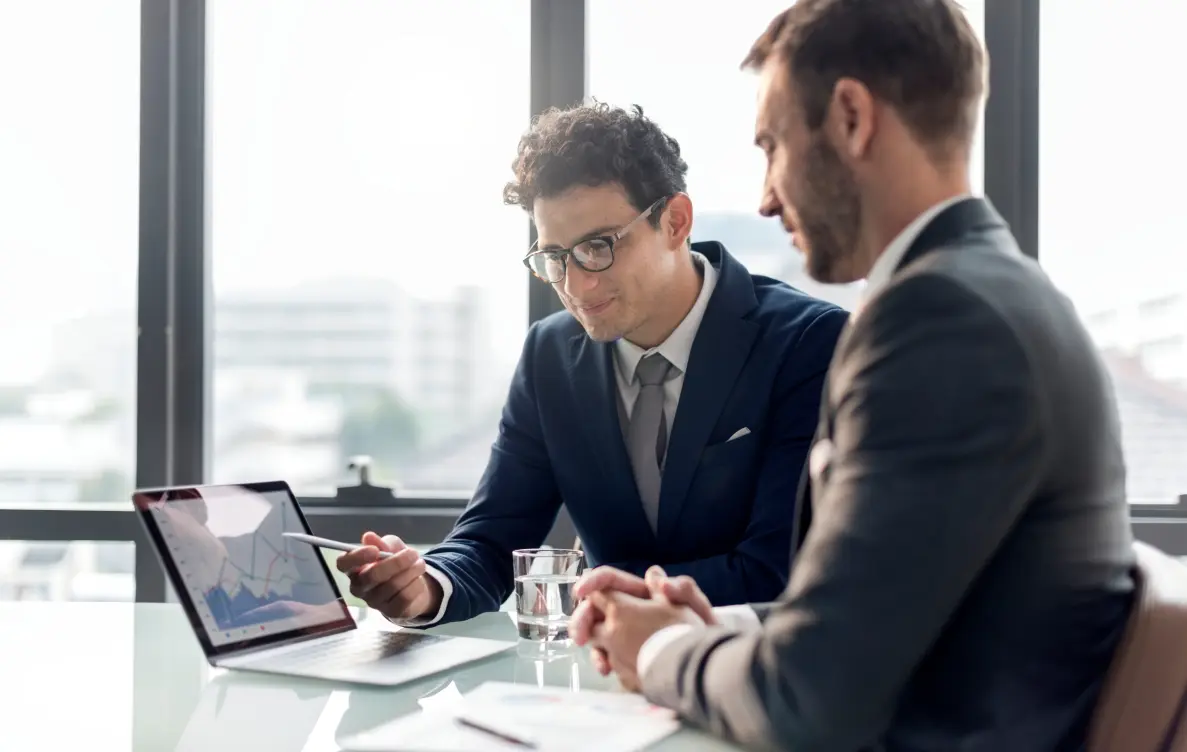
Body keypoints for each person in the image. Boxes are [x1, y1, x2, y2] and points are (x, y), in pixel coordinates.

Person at [570, 2, 1137, 750]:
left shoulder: (940, 321)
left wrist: (657, 650)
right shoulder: (991, 293)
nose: (766, 196)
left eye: (771, 146)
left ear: (849, 117)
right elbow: (882, 615)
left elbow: (808, 701)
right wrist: (703, 623)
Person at [335, 102, 848, 626]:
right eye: (555, 257)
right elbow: (491, 539)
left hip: (751, 673)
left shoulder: (808, 344)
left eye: (598, 247)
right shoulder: (550, 356)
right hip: (601, 680)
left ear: (675, 221)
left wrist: (611, 601)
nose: (577, 286)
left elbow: (779, 571)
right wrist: (424, 586)